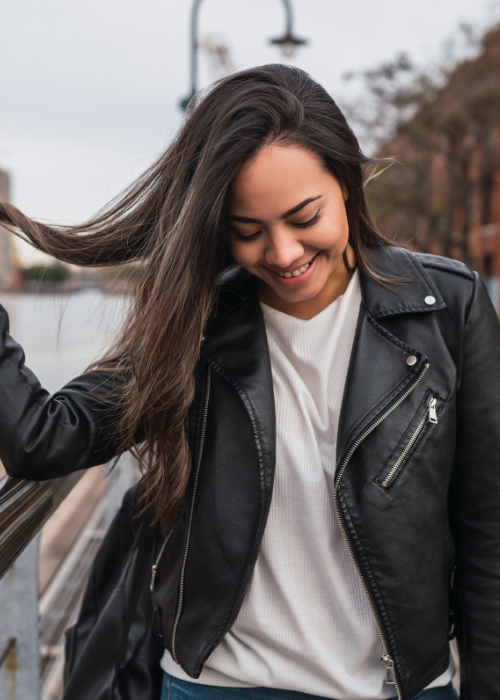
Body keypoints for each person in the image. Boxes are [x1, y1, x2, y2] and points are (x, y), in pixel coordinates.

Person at [0, 64, 498, 700]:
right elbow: (42, 440)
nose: (284, 253)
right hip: (219, 688)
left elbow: (488, 536)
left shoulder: (447, 307)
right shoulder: (194, 322)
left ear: (347, 183)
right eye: (248, 231)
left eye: (303, 215)